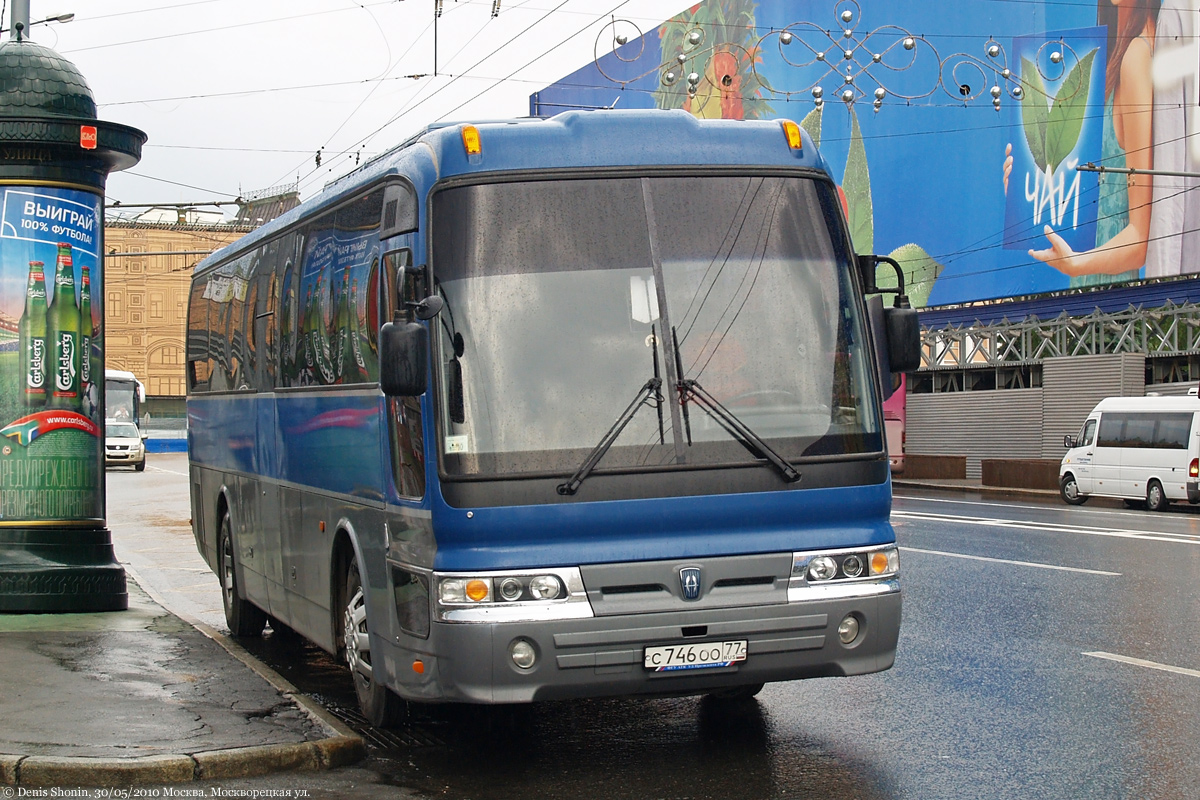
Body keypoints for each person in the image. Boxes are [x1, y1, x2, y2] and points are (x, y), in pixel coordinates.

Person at [1004, 0, 1160, 285]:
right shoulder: (1117, 51)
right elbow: (1087, 206)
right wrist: (1026, 190)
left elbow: (1140, 238)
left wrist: (1077, 264)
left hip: (1113, 305)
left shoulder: (1137, 55)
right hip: (1094, 295)